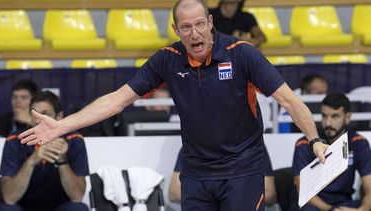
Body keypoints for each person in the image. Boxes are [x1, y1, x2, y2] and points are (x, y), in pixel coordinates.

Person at [19, 0, 328, 210]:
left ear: (210, 23)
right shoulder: (168, 59)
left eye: (198, 25)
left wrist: (314, 139)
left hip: (242, 171)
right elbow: (117, 100)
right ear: (176, 30)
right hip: (195, 174)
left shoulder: (242, 53)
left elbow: (288, 99)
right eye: (185, 27)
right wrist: (62, 125)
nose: (194, 34)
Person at [0, 91, 89, 211]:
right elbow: (10, 198)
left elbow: (77, 197)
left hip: (59, 207)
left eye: (45, 114)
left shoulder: (74, 140)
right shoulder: (15, 139)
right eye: (35, 115)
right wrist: (32, 161)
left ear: (59, 116)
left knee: (78, 208)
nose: (38, 120)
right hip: (23, 207)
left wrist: (62, 160)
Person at [291, 93, 371, 211]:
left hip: (344, 202)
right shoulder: (305, 143)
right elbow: (303, 192)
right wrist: (330, 210)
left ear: (347, 117)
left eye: (335, 116)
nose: (328, 123)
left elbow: (369, 188)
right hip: (313, 204)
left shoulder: (358, 142)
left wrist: (362, 210)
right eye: (324, 116)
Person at [169, 147, 277, 206]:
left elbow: (270, 193)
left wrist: (236, 195)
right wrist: (212, 196)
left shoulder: (253, 146)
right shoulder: (193, 146)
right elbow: (174, 192)